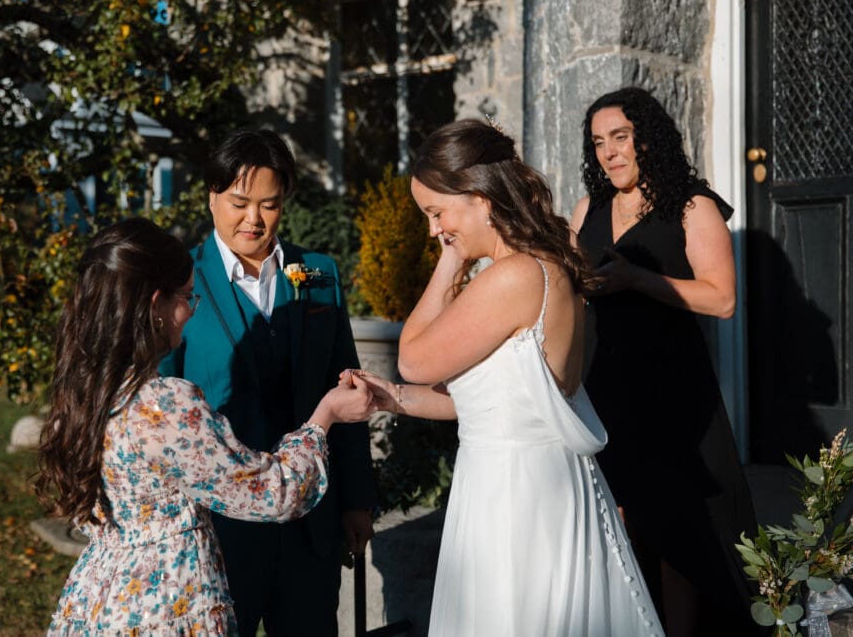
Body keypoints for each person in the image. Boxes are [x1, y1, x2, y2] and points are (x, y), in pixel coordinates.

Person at [345, 119, 664, 635]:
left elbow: (414, 357)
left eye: (436, 212)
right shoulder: (542, 265)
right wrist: (394, 399)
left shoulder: (515, 275)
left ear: (481, 198)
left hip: (517, 499)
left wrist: (449, 262)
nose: (434, 230)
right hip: (519, 482)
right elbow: (498, 402)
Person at [35, 218, 373, 636]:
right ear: (156, 304)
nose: (189, 313)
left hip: (102, 597)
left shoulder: (86, 391)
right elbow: (274, 492)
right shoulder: (165, 405)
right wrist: (326, 416)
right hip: (166, 605)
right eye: (186, 298)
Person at [158, 130, 375, 637]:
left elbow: (346, 382)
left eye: (269, 205)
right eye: (238, 202)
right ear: (211, 197)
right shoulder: (179, 281)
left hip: (311, 523)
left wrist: (357, 498)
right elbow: (163, 405)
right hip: (219, 529)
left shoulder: (318, 274)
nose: (253, 219)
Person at [569, 86, 759, 635]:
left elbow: (721, 298)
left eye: (621, 138)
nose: (610, 153)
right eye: (599, 142)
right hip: (603, 382)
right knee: (620, 526)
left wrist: (637, 279)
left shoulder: (691, 204)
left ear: (648, 139)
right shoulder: (590, 207)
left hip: (672, 389)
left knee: (680, 531)